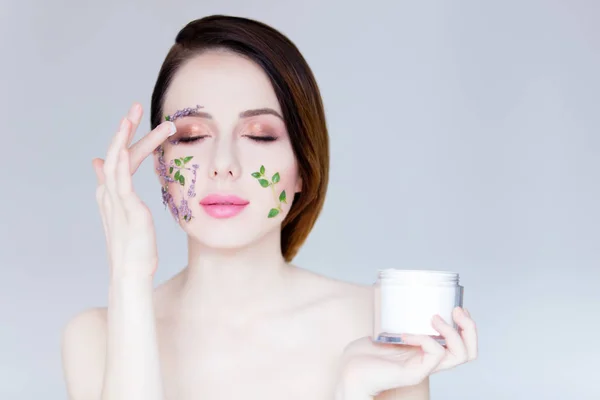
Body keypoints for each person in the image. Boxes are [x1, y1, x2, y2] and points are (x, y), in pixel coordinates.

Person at [60, 14, 478, 400]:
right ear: (159, 164)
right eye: (190, 137)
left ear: (302, 166)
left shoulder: (378, 326)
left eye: (259, 135)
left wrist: (350, 391)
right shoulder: (96, 336)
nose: (224, 165)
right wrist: (129, 275)